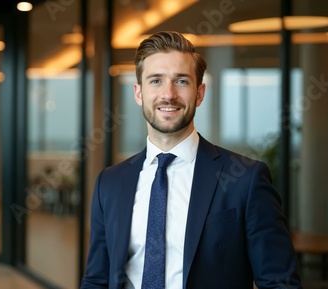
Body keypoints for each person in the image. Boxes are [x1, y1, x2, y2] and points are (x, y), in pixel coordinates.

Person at [80, 31, 302, 289]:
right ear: (138, 93)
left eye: (181, 81)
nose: (168, 94)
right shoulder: (110, 183)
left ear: (199, 92)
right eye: (156, 81)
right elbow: (96, 279)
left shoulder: (245, 179)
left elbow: (280, 283)